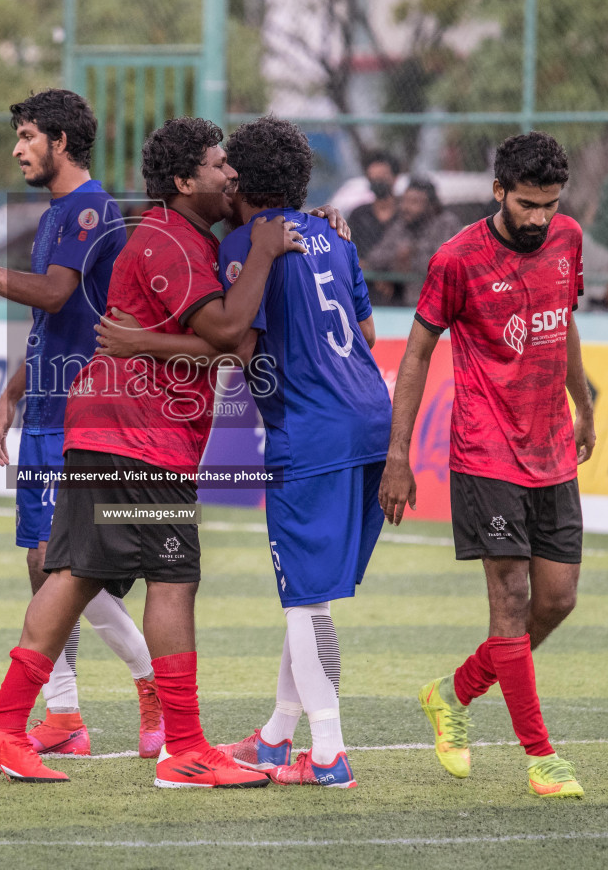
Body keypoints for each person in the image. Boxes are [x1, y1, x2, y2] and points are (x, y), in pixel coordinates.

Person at [0, 116, 302, 788]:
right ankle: (184, 750)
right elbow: (232, 333)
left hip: (115, 429)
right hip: (138, 435)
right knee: (172, 577)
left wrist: (306, 220)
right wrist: (263, 252)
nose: (228, 174)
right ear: (182, 180)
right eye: (216, 163)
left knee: (77, 573)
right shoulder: (167, 241)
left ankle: (1, 727)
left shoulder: (183, 234)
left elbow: (228, 317)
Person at [0, 90, 163, 759]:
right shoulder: (55, 212)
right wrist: (12, 396)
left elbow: (53, 292)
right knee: (39, 560)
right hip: (47, 410)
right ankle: (65, 716)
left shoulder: (90, 209)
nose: (17, 149)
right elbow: (49, 319)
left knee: (62, 562)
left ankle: (151, 683)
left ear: (61, 140)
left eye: (25, 136)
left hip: (88, 413)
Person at [378, 131, 595, 800]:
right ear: (499, 191)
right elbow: (415, 356)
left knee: (556, 602)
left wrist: (584, 404)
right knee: (512, 600)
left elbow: (565, 323)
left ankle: (453, 693)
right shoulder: (456, 258)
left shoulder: (568, 239)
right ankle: (541, 757)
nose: (540, 219)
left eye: (550, 205)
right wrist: (398, 455)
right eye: (528, 204)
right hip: (485, 451)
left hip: (553, 447)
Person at [208, 117, 391, 789]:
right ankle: (277, 739)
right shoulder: (333, 236)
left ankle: (329, 756)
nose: (221, 176)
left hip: (308, 435)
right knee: (309, 599)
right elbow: (366, 329)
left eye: (229, 168)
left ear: (244, 183)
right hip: (372, 422)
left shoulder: (245, 244)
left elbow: (238, 345)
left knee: (304, 604)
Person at [371, 176, 462, 304]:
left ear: (431, 205)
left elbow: (445, 265)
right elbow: (375, 257)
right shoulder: (402, 224)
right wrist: (396, 261)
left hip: (438, 300)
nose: (405, 207)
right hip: (403, 301)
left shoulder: (446, 224)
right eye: (404, 201)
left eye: (414, 202)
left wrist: (411, 258)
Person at [347, 153, 403, 303]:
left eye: (382, 177)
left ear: (395, 177)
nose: (377, 182)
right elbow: (349, 254)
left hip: (402, 293)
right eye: (372, 178)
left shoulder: (407, 214)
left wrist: (391, 275)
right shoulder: (358, 215)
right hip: (364, 290)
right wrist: (375, 274)